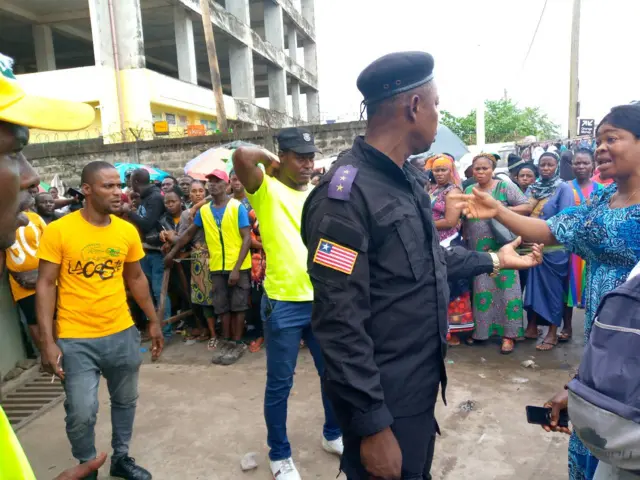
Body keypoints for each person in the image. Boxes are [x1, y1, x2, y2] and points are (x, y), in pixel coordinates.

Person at [301, 52, 542, 480]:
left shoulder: (409, 178)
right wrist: (372, 425)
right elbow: (339, 323)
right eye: (436, 105)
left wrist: (493, 258)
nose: (437, 115)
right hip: (382, 395)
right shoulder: (344, 198)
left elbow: (428, 259)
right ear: (414, 107)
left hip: (418, 383)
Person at [455, 103, 640, 480]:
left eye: (612, 139)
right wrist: (498, 211)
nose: (600, 148)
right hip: (601, 342)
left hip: (633, 347)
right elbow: (552, 228)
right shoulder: (602, 200)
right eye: (599, 140)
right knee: (594, 443)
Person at [36, 161, 163, 480]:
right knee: (81, 411)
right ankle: (86, 465)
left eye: (119, 185)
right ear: (87, 190)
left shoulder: (125, 231)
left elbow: (136, 278)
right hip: (76, 338)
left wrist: (153, 320)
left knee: (125, 401)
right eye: (109, 186)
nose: (119, 192)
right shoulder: (59, 230)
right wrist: (48, 342)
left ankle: (121, 458)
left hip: (121, 333)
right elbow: (45, 284)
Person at [233, 127, 346, 480]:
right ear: (283, 158)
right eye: (300, 157)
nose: (308, 164)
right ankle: (279, 454)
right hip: (283, 302)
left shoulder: (317, 194)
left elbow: (328, 245)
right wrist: (271, 161)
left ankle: (333, 435)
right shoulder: (266, 190)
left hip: (321, 300)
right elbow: (241, 157)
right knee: (280, 383)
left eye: (311, 157)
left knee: (333, 376)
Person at [166, 169, 252, 365]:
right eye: (210, 181)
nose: (212, 185)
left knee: (238, 306)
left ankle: (237, 341)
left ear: (226, 184)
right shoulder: (204, 211)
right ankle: (227, 340)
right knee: (222, 307)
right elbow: (188, 234)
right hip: (216, 266)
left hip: (237, 265)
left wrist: (237, 268)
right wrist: (172, 253)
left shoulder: (237, 207)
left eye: (217, 181)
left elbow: (246, 237)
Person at [463, 153, 533, 354]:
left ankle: (508, 336)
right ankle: (482, 331)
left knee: (507, 289)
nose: (481, 172)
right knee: (482, 289)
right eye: (477, 168)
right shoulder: (469, 189)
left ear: (492, 169)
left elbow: (527, 206)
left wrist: (502, 208)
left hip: (503, 246)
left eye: (485, 168)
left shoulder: (505, 186)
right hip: (478, 247)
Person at [522, 151, 574, 351]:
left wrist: (536, 224)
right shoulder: (533, 189)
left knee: (553, 291)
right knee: (533, 289)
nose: (545, 169)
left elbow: (564, 219)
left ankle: (552, 332)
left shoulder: (562, 188)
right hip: (533, 247)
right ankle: (532, 327)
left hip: (554, 249)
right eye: (542, 165)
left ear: (556, 167)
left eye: (550, 165)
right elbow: (524, 210)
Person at [427, 155, 472, 346]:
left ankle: (455, 331)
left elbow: (450, 221)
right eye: (436, 170)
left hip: (449, 241)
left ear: (451, 171)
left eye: (443, 170)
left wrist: (424, 223)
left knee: (452, 285)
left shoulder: (453, 192)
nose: (439, 173)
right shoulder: (435, 189)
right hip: (435, 241)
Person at [125, 168, 172, 338]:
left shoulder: (155, 198)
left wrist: (129, 212)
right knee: (147, 291)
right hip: (145, 250)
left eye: (130, 181)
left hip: (156, 251)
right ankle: (153, 327)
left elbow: (147, 224)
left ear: (135, 182)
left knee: (159, 291)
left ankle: (164, 330)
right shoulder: (145, 198)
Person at [561, 148, 602, 343]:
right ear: (571, 165)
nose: (581, 166)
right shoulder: (564, 187)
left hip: (592, 248)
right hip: (569, 247)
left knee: (592, 288)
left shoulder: (601, 190)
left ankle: (595, 328)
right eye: (577, 163)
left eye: (585, 163)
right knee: (567, 287)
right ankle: (566, 326)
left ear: (593, 165)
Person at [177, 180, 216, 346]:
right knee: (203, 298)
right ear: (189, 194)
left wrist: (196, 206)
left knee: (216, 296)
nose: (198, 193)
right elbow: (183, 237)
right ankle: (210, 331)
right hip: (198, 259)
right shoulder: (187, 215)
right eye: (194, 191)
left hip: (215, 255)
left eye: (201, 190)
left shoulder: (212, 207)